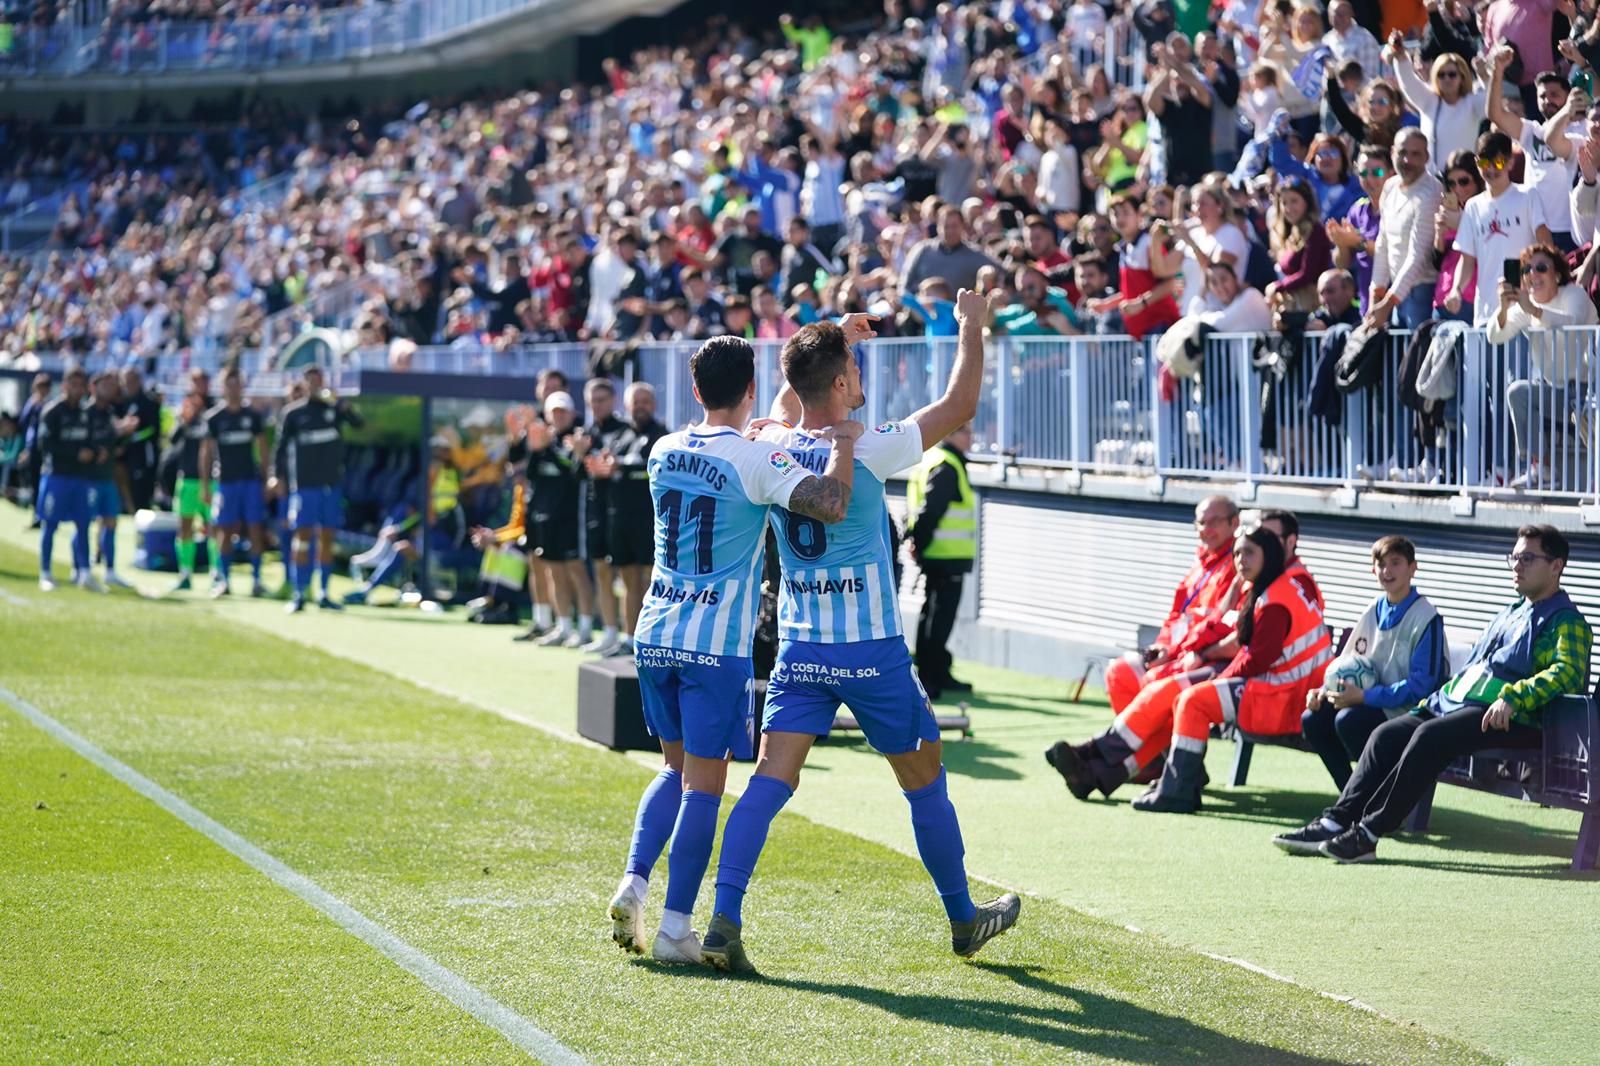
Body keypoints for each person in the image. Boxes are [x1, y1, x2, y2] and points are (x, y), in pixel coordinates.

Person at [704, 289, 1022, 974]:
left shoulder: (772, 442)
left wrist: (826, 341)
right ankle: (965, 920)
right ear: (845, 382)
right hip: (872, 652)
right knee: (924, 781)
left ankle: (723, 919)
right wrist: (971, 329)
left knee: (768, 781)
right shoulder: (869, 445)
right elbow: (960, 408)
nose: (863, 378)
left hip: (801, 647)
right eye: (855, 369)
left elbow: (792, 402)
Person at [608, 334, 857, 964]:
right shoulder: (753, 461)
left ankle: (634, 882)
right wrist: (845, 447)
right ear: (750, 391)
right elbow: (828, 503)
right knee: (705, 787)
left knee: (671, 769)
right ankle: (674, 929)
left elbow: (741, 437)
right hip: (713, 646)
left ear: (694, 390)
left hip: (655, 630)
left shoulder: (663, 449)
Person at [1275, 525, 1592, 862]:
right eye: (1514, 557)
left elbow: (1567, 673)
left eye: (1527, 558)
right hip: (1467, 707)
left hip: (1520, 717)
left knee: (1429, 736)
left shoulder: (1566, 621)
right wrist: (1433, 702)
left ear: (1556, 566)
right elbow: (1474, 669)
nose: (1517, 565)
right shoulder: (1511, 612)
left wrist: (1514, 697)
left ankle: (1367, 833)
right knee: (1386, 734)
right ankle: (1335, 820)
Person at [1047, 509, 1321, 803]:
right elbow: (1213, 621)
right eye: (1245, 546)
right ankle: (1099, 773)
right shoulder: (1255, 578)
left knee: (1177, 696)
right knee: (1155, 687)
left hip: (1281, 693)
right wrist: (1186, 650)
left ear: (1289, 542)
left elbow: (1253, 651)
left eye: (1267, 538)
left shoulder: (1287, 584)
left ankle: (1098, 754)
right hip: (1254, 677)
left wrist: (1208, 658)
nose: (1248, 553)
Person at [1300, 536, 1450, 791]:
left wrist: (1366, 696)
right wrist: (1325, 692)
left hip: (1411, 712)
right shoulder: (1373, 610)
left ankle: (1379, 796)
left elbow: (1424, 687)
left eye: (1396, 563)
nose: (1387, 571)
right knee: (1312, 718)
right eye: (1381, 564)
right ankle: (1351, 794)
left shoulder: (1427, 617)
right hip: (1371, 702)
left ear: (1413, 568)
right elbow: (1348, 664)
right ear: (1373, 570)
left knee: (1349, 720)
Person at [1101, 495, 1240, 714]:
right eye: (1201, 523)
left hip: (1204, 657)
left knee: (1153, 683)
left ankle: (1136, 746)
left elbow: (1220, 625)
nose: (1205, 529)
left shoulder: (1238, 566)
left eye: (1214, 522)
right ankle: (1146, 748)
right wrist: (1163, 646)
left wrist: (1175, 651)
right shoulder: (1201, 565)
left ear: (1234, 523)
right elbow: (1177, 615)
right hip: (1177, 652)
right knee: (1118, 672)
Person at [1486, 244, 1600, 488]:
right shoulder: (1526, 306)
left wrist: (1534, 310)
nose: (1532, 274)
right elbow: (1494, 336)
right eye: (1527, 270)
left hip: (1589, 392)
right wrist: (1504, 308)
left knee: (1589, 414)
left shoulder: (1574, 294)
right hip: (1557, 394)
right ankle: (1542, 468)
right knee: (1518, 392)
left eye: (1540, 267)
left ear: (1557, 274)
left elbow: (1572, 323)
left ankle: (1594, 485)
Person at [270, 365, 365, 613]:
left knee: (327, 538)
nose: (315, 384)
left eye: (319, 379)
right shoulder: (293, 414)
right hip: (304, 486)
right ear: (305, 383)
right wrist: (275, 477)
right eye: (311, 380)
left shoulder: (333, 409)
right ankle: (299, 592)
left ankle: (323, 592)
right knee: (302, 537)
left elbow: (359, 424)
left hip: (330, 484)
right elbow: (279, 449)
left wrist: (344, 406)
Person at [586, 382, 669, 658]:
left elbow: (650, 469)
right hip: (619, 520)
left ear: (654, 405)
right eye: (636, 401)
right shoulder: (618, 437)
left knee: (648, 581)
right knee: (628, 580)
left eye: (646, 401)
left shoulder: (662, 436)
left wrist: (621, 467)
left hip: (649, 521)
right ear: (627, 405)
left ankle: (651, 639)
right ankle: (628, 636)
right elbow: (605, 470)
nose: (641, 406)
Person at [1444, 130, 1554, 325]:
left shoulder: (1527, 195)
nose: (1492, 169)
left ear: (1510, 162)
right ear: (1478, 164)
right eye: (1485, 163)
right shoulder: (1472, 206)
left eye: (1499, 162)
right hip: (1486, 314)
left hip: (1523, 312)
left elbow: (1545, 245)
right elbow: (1467, 260)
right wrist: (1456, 290)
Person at [517, 391, 595, 647]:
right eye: (554, 412)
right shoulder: (542, 439)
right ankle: (563, 626)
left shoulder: (577, 438)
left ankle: (584, 628)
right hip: (545, 517)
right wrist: (536, 449)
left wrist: (547, 449)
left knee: (576, 571)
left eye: (563, 411)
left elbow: (572, 471)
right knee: (553, 572)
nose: (559, 416)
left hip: (571, 517)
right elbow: (529, 473)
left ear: (572, 414)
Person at [906, 420, 976, 701]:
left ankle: (935, 671)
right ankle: (930, 676)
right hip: (944, 555)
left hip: (939, 554)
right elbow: (929, 512)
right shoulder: (946, 465)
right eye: (967, 431)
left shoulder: (934, 460)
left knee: (932, 615)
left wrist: (916, 543)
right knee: (938, 618)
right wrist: (920, 544)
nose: (971, 437)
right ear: (951, 432)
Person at [1364, 129, 1443, 329]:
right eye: (1402, 152)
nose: (1407, 160)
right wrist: (1376, 294)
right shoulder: (1390, 187)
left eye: (1415, 154)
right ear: (1392, 153)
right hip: (1396, 293)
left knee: (1416, 357)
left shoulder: (1431, 193)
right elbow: (1383, 244)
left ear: (1426, 157)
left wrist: (1387, 303)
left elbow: (1419, 256)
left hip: (1421, 292)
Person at [204, 367, 269, 598]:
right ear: (223, 388)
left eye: (237, 384)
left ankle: (257, 579)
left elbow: (262, 448)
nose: (233, 389)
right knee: (224, 530)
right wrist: (205, 485)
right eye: (229, 385)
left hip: (250, 481)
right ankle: (224, 580)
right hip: (226, 482)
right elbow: (207, 454)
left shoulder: (252, 416)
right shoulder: (215, 418)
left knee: (255, 529)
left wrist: (266, 478)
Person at [577, 379, 628, 654]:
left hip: (621, 513)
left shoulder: (625, 431)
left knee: (628, 576)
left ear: (614, 401)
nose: (597, 405)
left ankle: (627, 633)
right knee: (601, 571)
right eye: (593, 400)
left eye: (602, 399)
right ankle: (608, 631)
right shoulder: (586, 433)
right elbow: (578, 475)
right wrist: (578, 456)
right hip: (596, 512)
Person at [34, 367, 95, 592]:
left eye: (82, 385)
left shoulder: (85, 413)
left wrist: (93, 452)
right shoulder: (52, 412)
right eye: (74, 384)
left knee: (83, 524)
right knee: (49, 524)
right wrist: (75, 454)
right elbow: (45, 445)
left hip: (79, 477)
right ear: (65, 385)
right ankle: (46, 572)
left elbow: (89, 441)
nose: (78, 390)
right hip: (56, 476)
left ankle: (84, 572)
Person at [1388, 34, 1486, 172]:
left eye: (1452, 74)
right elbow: (1408, 81)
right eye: (1441, 74)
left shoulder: (1472, 102)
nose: (1446, 79)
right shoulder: (1429, 100)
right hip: (1431, 179)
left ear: (1462, 77)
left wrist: (1485, 77)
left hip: (1463, 179)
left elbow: (1490, 104)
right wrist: (1400, 55)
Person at [85, 371, 135, 590]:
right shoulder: (85, 413)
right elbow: (87, 441)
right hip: (87, 477)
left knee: (111, 521)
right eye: (106, 385)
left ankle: (110, 570)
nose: (111, 389)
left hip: (107, 476)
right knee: (83, 523)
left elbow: (113, 441)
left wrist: (123, 431)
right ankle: (82, 568)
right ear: (93, 387)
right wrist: (115, 432)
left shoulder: (110, 412)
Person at [167, 371, 212, 592]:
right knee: (184, 526)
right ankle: (185, 573)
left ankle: (217, 574)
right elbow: (173, 439)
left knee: (214, 527)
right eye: (195, 381)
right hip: (188, 478)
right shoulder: (185, 409)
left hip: (211, 479)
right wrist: (185, 420)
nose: (199, 386)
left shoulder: (215, 409)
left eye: (202, 381)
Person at [115, 366, 162, 514]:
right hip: (127, 455)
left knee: (142, 490)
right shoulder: (122, 403)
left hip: (144, 455)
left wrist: (132, 436)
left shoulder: (149, 402)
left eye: (132, 380)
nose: (128, 384)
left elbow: (153, 429)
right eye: (125, 381)